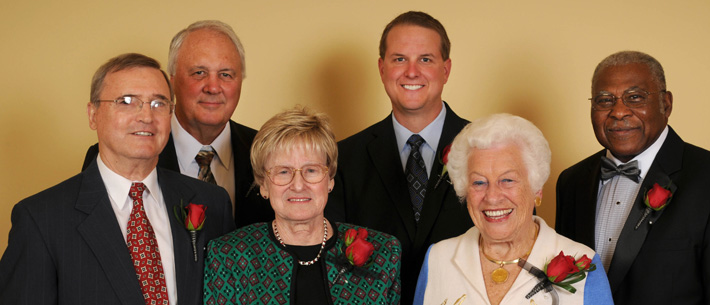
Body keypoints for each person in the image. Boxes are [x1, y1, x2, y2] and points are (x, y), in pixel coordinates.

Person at [0, 53, 235, 304]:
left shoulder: (211, 202)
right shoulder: (40, 220)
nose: (146, 116)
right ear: (93, 115)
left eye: (158, 103)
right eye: (126, 101)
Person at [555, 50, 710, 304]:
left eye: (635, 97)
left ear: (666, 104)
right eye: (604, 100)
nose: (618, 112)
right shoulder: (571, 182)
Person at [325, 11, 472, 303]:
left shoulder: (487, 149)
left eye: (426, 59)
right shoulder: (343, 158)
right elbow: (332, 261)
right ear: (382, 69)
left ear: (446, 69)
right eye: (400, 59)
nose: (412, 72)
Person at [83, 20, 272, 228]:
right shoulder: (119, 152)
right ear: (171, 82)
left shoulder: (268, 151)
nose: (213, 87)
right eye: (199, 73)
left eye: (226, 74)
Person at [203, 106, 402, 304]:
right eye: (283, 172)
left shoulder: (383, 252)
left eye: (311, 170)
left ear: (330, 179)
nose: (298, 185)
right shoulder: (228, 256)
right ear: (263, 185)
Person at [414, 113, 613, 305]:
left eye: (507, 180)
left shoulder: (583, 264)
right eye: (479, 182)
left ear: (537, 189)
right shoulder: (437, 259)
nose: (492, 197)